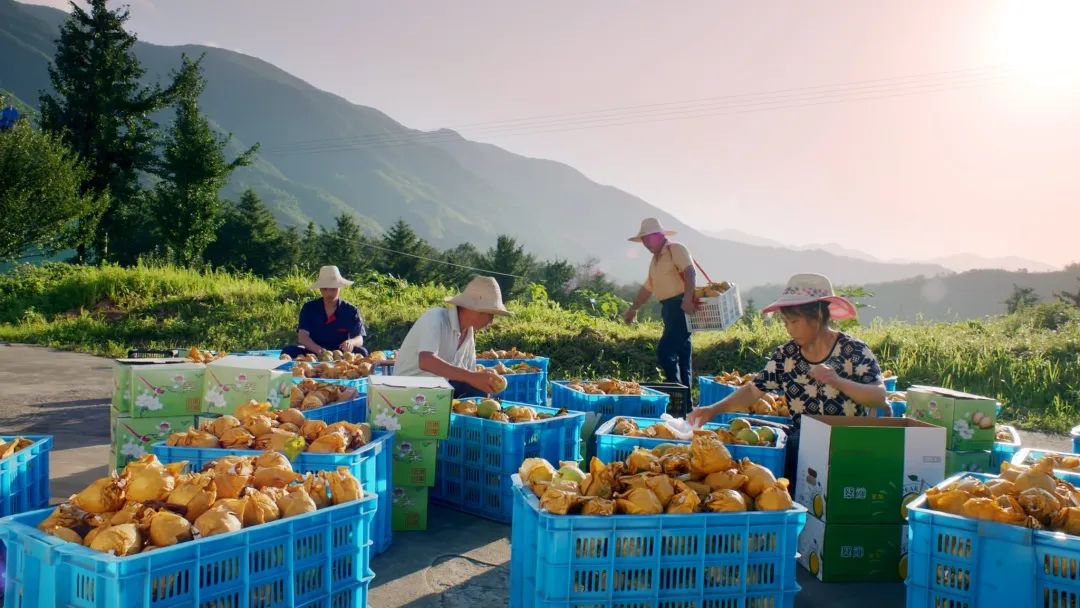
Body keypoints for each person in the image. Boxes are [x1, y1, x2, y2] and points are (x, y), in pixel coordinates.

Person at [688, 273, 887, 482]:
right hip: (804, 444)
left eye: (794, 321)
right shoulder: (786, 355)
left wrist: (836, 380)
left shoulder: (853, 351)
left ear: (818, 315)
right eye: (785, 322)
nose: (789, 328)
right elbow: (753, 390)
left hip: (848, 446)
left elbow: (878, 397)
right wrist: (713, 409)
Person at [396, 276, 511, 398]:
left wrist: (480, 377)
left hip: (438, 392)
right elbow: (426, 361)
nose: (491, 321)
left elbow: (465, 375)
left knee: (478, 390)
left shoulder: (468, 334)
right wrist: (472, 377)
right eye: (491, 314)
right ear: (475, 309)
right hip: (408, 392)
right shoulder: (435, 318)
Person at [623, 218, 697, 388]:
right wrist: (633, 309)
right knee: (682, 356)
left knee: (665, 351)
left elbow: (690, 271)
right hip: (669, 309)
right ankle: (685, 404)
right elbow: (648, 288)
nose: (646, 243)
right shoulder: (655, 260)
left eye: (649, 238)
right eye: (643, 240)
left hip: (680, 307)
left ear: (659, 236)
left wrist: (687, 299)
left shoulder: (675, 249)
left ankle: (674, 390)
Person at [281, 266, 368, 359]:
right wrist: (319, 350)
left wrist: (351, 342)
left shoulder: (351, 310)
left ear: (339, 287)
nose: (329, 293)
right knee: (288, 351)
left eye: (333, 288)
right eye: (325, 289)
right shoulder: (309, 308)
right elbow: (302, 337)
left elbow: (359, 338)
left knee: (363, 352)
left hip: (341, 353)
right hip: (313, 351)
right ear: (320, 289)